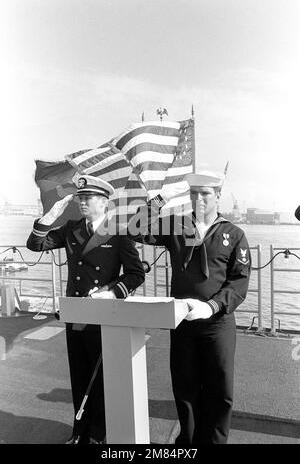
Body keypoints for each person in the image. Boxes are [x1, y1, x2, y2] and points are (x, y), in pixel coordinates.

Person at [128, 170, 251, 444]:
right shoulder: (176, 225)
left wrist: (212, 306)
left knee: (220, 390)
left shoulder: (234, 233)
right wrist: (158, 200)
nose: (199, 199)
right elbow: (135, 230)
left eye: (205, 193)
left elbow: (239, 281)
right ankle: (188, 442)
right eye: (193, 193)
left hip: (217, 324)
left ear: (218, 196)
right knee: (185, 388)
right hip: (182, 322)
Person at [27, 175, 145, 445]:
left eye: (87, 198)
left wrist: (111, 292)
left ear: (104, 203)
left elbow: (136, 275)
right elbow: (35, 245)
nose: (81, 202)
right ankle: (79, 433)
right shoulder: (71, 229)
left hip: (103, 314)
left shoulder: (118, 231)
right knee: (79, 375)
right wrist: (48, 218)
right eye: (80, 197)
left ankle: (100, 435)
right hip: (76, 313)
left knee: (101, 378)